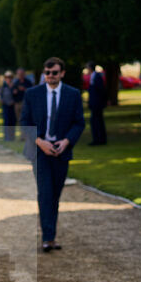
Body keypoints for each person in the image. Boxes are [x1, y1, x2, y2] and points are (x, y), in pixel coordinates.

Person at [20, 57, 85, 252]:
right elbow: (24, 123)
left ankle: (51, 235)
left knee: (55, 195)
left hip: (61, 151)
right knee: (45, 193)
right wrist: (40, 142)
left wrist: (66, 142)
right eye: (47, 73)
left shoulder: (73, 94)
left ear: (62, 73)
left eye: (54, 73)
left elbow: (79, 122)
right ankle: (47, 238)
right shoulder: (33, 94)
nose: (50, 76)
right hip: (39, 151)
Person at [86, 62, 107, 145]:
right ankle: (98, 139)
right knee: (95, 121)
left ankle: (99, 139)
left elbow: (100, 90)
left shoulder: (97, 76)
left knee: (97, 121)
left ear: (90, 68)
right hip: (94, 104)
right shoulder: (93, 76)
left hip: (97, 104)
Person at [12, 68, 33, 140]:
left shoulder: (28, 82)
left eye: (21, 74)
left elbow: (32, 92)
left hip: (26, 104)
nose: (20, 75)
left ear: (24, 74)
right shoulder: (16, 82)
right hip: (17, 104)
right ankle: (22, 135)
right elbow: (13, 93)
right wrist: (15, 92)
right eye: (18, 74)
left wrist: (24, 89)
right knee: (19, 120)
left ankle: (27, 136)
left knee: (26, 120)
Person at [0, 71, 16, 142]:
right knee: (6, 122)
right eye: (7, 77)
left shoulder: (14, 85)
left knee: (12, 121)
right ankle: (7, 137)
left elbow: (17, 95)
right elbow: (1, 97)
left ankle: (12, 137)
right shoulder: (3, 86)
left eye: (10, 77)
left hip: (13, 106)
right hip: (6, 106)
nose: (8, 79)